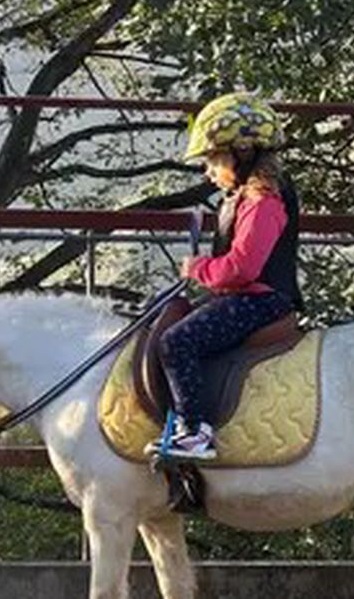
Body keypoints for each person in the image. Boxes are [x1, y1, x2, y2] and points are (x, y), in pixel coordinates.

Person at [146, 92, 302, 461]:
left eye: (214, 160)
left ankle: (195, 431)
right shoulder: (243, 198)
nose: (209, 171)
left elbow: (242, 268)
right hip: (246, 296)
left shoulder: (264, 203)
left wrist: (197, 268)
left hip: (260, 300)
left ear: (243, 154)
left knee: (176, 342)